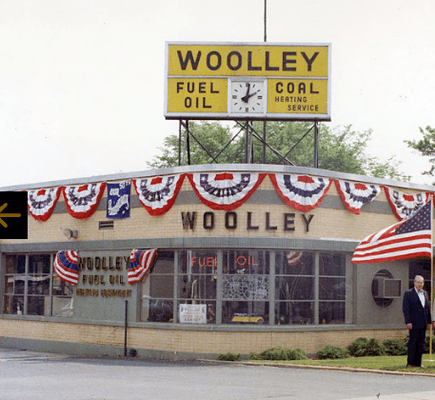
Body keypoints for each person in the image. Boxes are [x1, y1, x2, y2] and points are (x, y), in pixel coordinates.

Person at [402, 275, 432, 367]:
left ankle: (418, 363)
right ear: (414, 283)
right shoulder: (409, 293)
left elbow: (427, 308)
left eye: (421, 282)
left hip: (423, 322)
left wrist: (429, 322)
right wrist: (408, 321)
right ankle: (410, 363)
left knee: (421, 344)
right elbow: (406, 309)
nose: (420, 284)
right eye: (418, 282)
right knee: (413, 342)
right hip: (413, 323)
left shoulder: (425, 293)